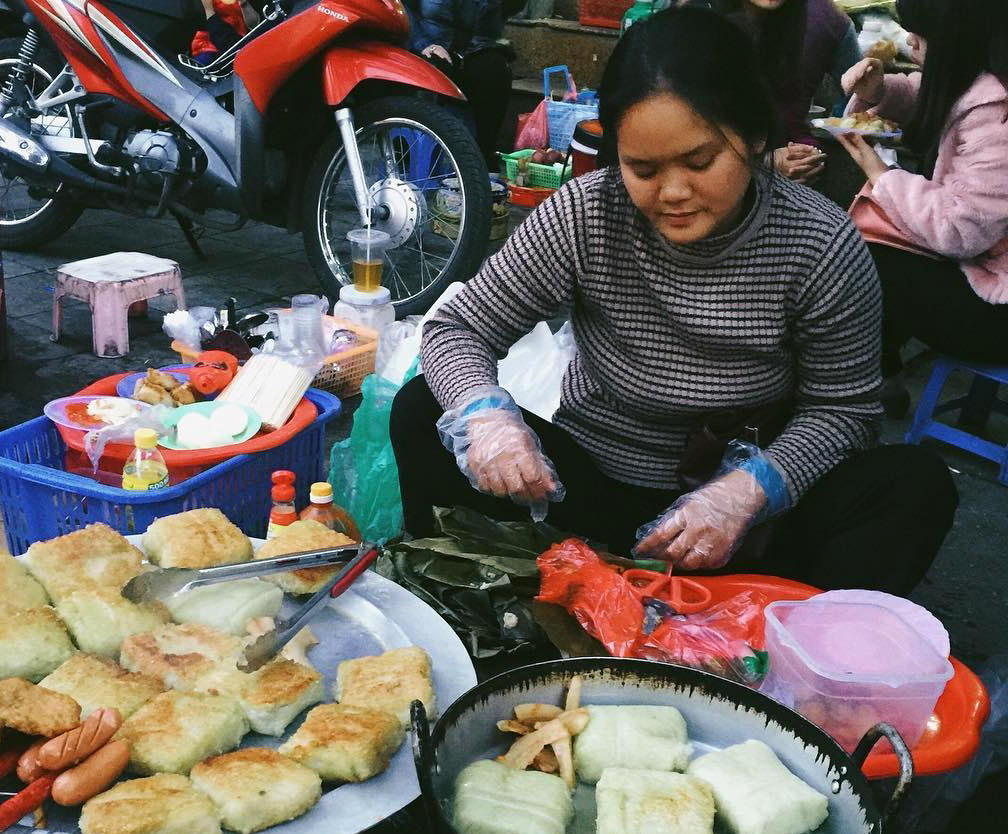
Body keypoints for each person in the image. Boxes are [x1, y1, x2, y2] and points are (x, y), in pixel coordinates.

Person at [390, 7, 956, 596]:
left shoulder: (819, 243)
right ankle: (488, 614)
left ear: (755, 137)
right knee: (423, 407)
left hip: (745, 527)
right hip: (590, 495)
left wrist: (747, 491)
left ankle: (782, 651)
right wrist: (488, 420)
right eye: (643, 168)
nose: (675, 192)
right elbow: (458, 329)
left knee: (915, 487)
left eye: (700, 160)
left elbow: (844, 412)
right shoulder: (586, 213)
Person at [837, 0, 1008, 403]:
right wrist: (880, 91)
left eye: (922, 34)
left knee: (856, 257)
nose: (911, 41)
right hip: (985, 267)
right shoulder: (983, 79)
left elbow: (958, 230)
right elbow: (941, 95)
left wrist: (881, 175)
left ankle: (862, 383)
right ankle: (876, 374)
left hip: (996, 310)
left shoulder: (997, 115)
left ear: (959, 41)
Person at [699, 0, 859, 185]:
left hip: (773, 152)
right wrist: (765, 162)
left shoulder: (792, 21)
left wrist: (803, 154)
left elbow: (786, 108)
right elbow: (691, 131)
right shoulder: (699, 23)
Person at [404, 0, 512, 163]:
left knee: (495, 69)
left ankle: (481, 160)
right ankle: (416, 157)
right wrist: (425, 45)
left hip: (465, 52)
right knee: (435, 69)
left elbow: (489, 33)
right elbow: (401, 11)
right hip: (421, 46)